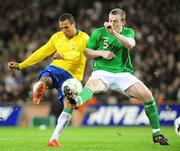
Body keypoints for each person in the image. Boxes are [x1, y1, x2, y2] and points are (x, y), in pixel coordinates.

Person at [64, 8, 169, 145]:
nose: (110, 23)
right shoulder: (99, 32)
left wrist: (114, 33)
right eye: (109, 20)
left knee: (147, 95)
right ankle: (77, 101)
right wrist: (101, 53)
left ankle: (157, 134)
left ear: (123, 21)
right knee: (93, 85)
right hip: (102, 71)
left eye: (114, 21)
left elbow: (130, 44)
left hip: (123, 74)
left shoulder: (128, 32)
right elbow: (86, 52)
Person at [8, 13, 113, 147]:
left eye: (66, 27)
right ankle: (41, 88)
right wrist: (21, 65)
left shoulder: (84, 38)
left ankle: (53, 139)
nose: (63, 31)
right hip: (59, 69)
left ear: (74, 24)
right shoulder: (57, 37)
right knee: (48, 77)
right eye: (61, 28)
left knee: (67, 104)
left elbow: (78, 54)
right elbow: (42, 52)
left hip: (72, 76)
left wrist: (63, 55)